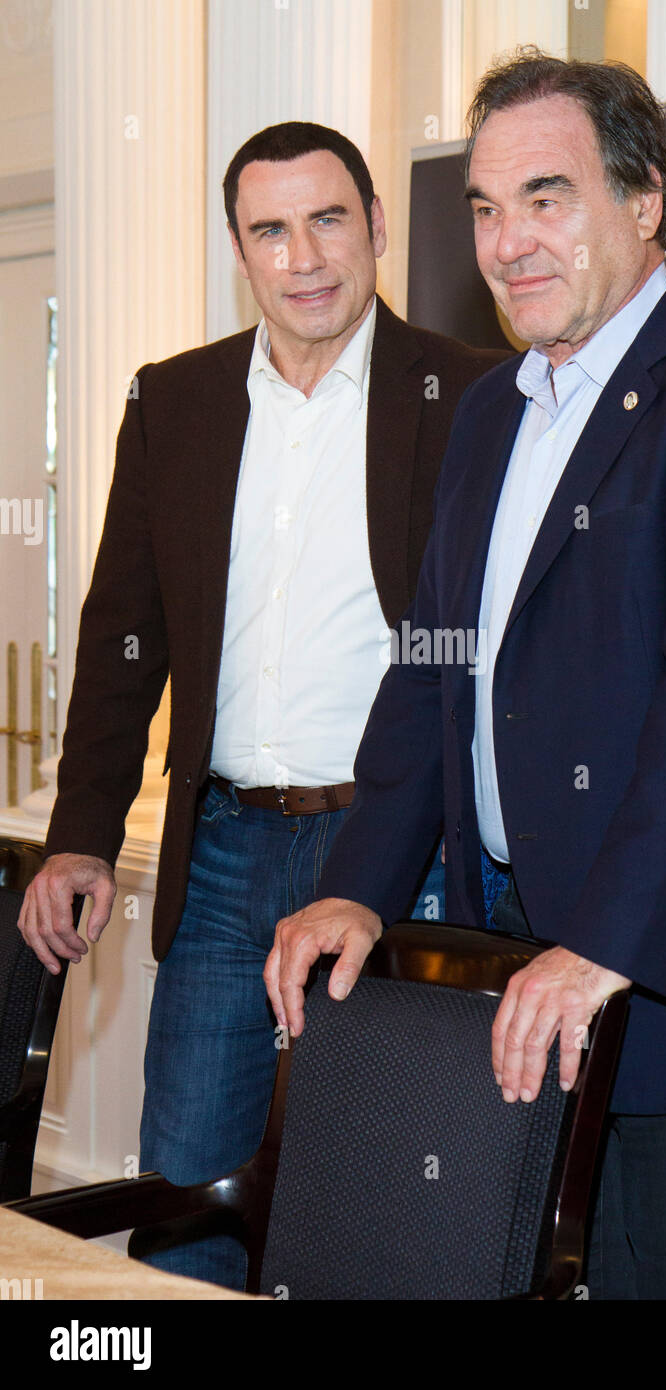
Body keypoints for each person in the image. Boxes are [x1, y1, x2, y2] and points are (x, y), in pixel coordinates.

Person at [265, 55, 666, 1300]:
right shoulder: (488, 413)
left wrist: (601, 945)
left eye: (546, 196)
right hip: (509, 976)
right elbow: (432, 675)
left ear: (643, 202)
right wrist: (358, 889)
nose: (506, 241)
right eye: (484, 208)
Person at [17, 120, 507, 1289]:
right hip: (226, 859)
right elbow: (118, 635)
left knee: (385, 1201)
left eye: (328, 219)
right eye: (270, 229)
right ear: (238, 247)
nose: (304, 256)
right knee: (189, 1199)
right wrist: (83, 827)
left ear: (377, 226)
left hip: (397, 855)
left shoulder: (471, 396)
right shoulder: (173, 402)